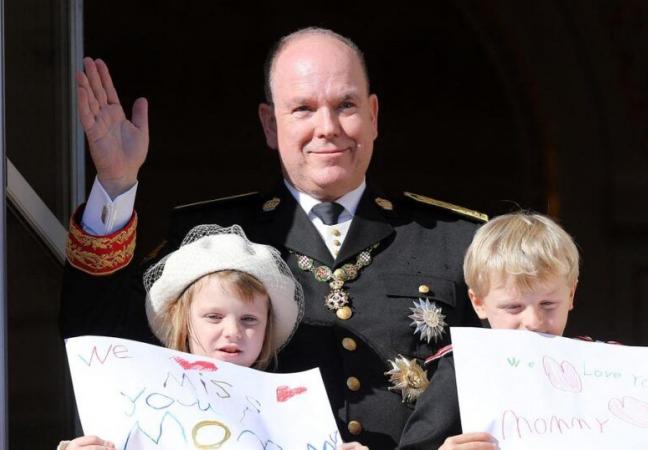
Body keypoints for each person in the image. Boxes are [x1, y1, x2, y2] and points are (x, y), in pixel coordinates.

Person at [61, 27, 486, 448]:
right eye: (303, 108)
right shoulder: (207, 239)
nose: (328, 127)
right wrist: (115, 185)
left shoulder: (459, 243)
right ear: (269, 124)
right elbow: (103, 344)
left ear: (373, 116)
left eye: (346, 105)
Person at [60, 224, 367, 450]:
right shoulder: (133, 401)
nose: (232, 331)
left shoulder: (299, 418)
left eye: (249, 319)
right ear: (182, 323)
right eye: (213, 317)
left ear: (267, 330)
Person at [399, 212, 580, 450]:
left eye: (548, 304)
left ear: (570, 294)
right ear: (478, 303)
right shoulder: (462, 368)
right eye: (513, 307)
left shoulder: (599, 367)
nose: (533, 321)